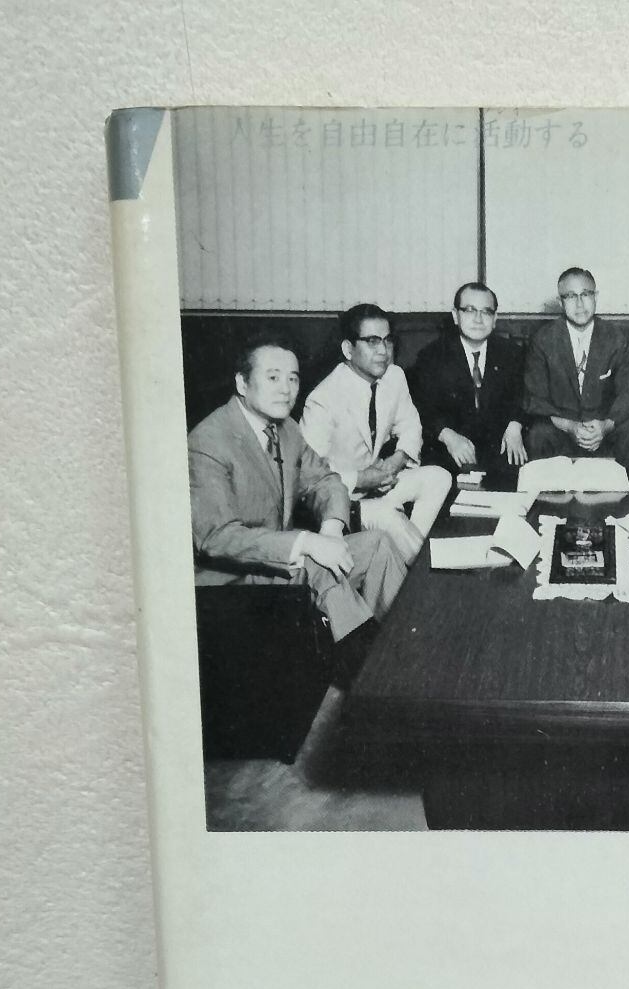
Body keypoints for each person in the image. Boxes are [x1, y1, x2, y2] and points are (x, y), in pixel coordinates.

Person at [189, 329, 405, 688]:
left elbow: (326, 481)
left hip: (280, 564)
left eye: (293, 378)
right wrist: (306, 542)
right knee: (317, 564)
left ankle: (407, 650)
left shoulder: (286, 429)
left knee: (377, 543)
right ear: (242, 383)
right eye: (273, 378)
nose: (286, 389)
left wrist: (332, 528)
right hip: (229, 583)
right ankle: (372, 683)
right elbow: (217, 538)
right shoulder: (208, 442)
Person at [299, 303, 452, 561]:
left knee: (439, 477)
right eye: (372, 341)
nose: (383, 351)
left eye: (387, 340)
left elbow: (411, 426)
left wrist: (395, 461)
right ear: (348, 349)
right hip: (343, 500)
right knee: (389, 518)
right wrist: (362, 478)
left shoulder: (394, 376)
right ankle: (423, 569)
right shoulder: (323, 399)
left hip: (379, 486)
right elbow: (309, 479)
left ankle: (401, 562)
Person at [523, 267, 629, 477]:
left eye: (586, 294)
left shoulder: (615, 338)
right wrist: (570, 427)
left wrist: (605, 426)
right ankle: (547, 497)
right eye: (571, 296)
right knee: (538, 434)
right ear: (560, 302)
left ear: (595, 297)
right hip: (563, 428)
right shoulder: (544, 339)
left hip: (604, 427)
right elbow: (535, 398)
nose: (579, 304)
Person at [409, 280, 529, 481]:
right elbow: (422, 407)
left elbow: (524, 396)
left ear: (495, 318)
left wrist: (515, 425)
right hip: (450, 446)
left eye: (486, 312)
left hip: (498, 445)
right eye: (470, 310)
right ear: (455, 315)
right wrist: (448, 436)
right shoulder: (431, 356)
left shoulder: (512, 353)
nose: (478, 319)